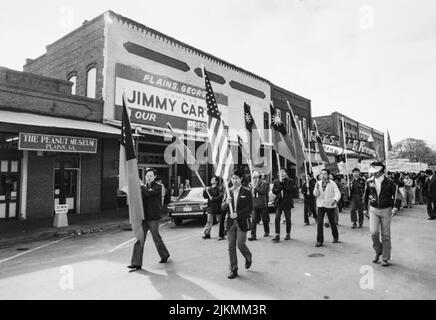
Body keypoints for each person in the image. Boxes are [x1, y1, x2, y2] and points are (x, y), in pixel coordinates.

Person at [128, 168, 170, 271]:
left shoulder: (159, 187)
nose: (148, 177)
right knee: (139, 239)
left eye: (151, 176)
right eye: (147, 176)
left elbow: (148, 194)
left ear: (155, 177)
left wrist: (141, 185)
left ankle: (164, 255)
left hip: (153, 218)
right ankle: (136, 263)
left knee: (156, 238)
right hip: (144, 218)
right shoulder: (144, 188)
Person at [363, 162, 400, 267]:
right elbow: (365, 196)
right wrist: (365, 208)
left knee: (386, 235)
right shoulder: (369, 181)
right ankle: (378, 251)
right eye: (372, 172)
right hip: (373, 210)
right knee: (373, 233)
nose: (373, 174)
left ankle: (385, 257)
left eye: (376, 172)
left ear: (381, 171)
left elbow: (398, 196)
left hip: (386, 210)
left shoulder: (390, 182)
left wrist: (396, 207)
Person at [221, 169, 253, 279]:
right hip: (230, 223)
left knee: (240, 244)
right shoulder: (228, 191)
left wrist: (237, 214)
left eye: (236, 178)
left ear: (241, 179)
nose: (234, 181)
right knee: (231, 247)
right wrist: (226, 203)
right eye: (233, 178)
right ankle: (233, 269)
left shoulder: (247, 191)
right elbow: (223, 207)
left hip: (241, 221)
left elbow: (249, 208)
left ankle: (248, 256)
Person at [313, 169, 341, 247]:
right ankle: (319, 240)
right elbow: (315, 194)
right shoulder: (318, 183)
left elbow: (337, 193)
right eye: (322, 174)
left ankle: (335, 237)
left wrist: (335, 200)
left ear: (328, 175)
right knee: (320, 223)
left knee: (332, 222)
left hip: (330, 205)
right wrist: (316, 188)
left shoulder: (332, 183)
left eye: (325, 173)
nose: (323, 175)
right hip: (320, 205)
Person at [272, 168, 295, 242]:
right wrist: (279, 187)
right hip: (279, 202)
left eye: (283, 172)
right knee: (277, 217)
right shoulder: (276, 181)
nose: (282, 173)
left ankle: (288, 233)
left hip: (287, 202)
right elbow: (274, 191)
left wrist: (283, 185)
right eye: (280, 172)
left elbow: (291, 190)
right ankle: (277, 235)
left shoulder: (290, 181)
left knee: (288, 218)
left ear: (286, 173)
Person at [248, 171, 270, 240]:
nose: (254, 179)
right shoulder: (251, 184)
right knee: (254, 220)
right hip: (254, 204)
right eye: (253, 178)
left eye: (256, 177)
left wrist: (255, 187)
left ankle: (266, 231)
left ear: (258, 177)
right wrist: (250, 188)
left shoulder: (263, 183)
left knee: (264, 219)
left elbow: (262, 191)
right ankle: (253, 235)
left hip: (262, 204)